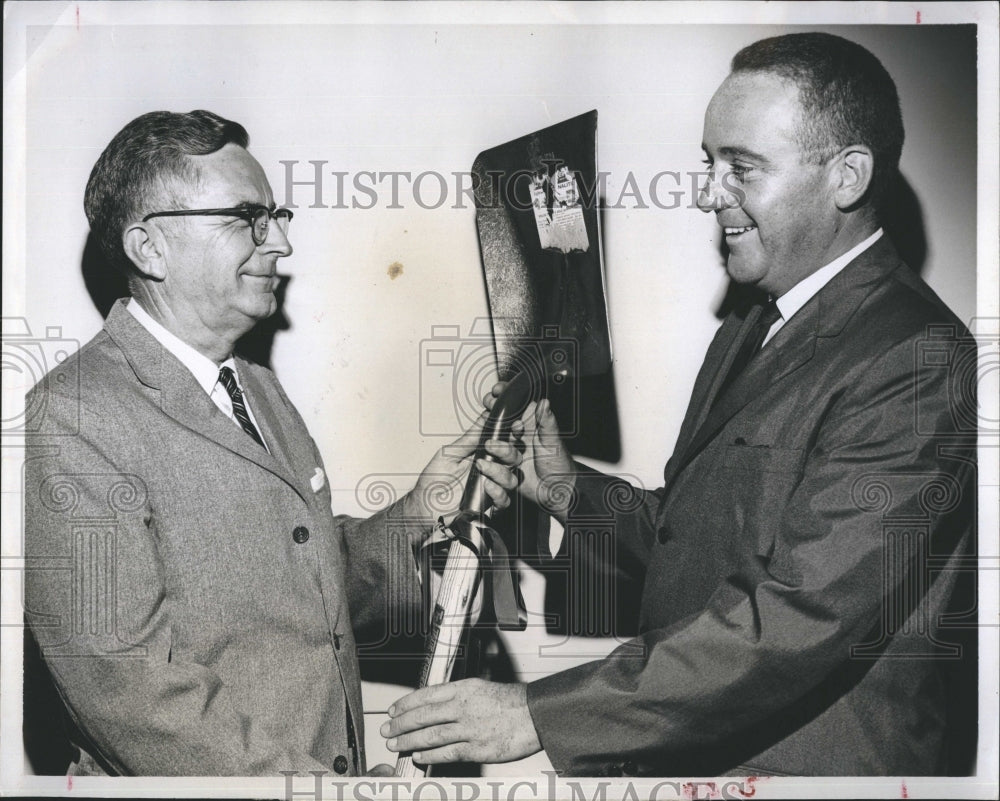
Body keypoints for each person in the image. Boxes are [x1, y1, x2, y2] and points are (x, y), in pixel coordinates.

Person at [382, 32, 978, 776]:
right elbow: (698, 540)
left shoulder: (916, 358)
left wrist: (536, 712)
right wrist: (569, 490)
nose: (708, 192)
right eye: (709, 163)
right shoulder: (753, 322)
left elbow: (798, 615)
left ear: (847, 176)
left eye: (743, 167)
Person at [23, 109, 520, 777]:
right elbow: (129, 692)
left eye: (277, 216)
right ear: (150, 248)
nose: (280, 243)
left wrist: (420, 510)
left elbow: (305, 582)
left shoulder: (254, 384)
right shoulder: (74, 414)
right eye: (247, 218)